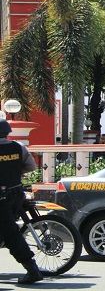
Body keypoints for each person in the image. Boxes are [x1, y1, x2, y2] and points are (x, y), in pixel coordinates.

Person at [0, 119, 43, 284]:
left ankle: (32, 270)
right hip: (16, 195)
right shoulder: (19, 147)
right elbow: (31, 167)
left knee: (11, 235)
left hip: (1, 199)